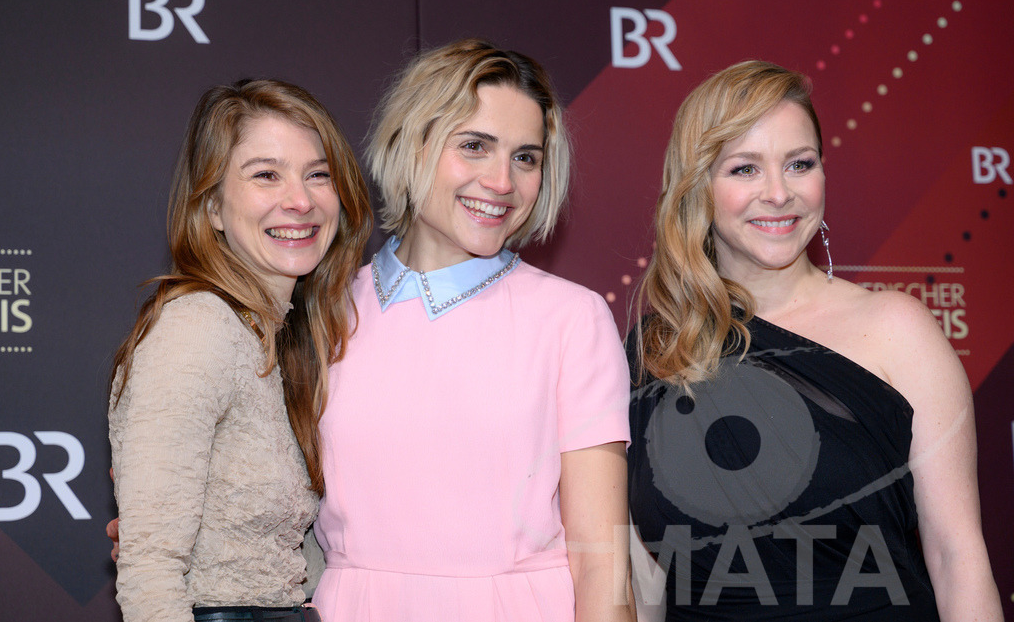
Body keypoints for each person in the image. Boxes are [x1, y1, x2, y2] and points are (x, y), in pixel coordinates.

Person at [626, 60, 1002, 621]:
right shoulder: (654, 351)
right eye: (745, 169)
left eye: (799, 164)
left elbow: (957, 559)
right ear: (697, 185)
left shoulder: (898, 329)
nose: (779, 193)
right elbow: (641, 573)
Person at [308, 39, 635, 622]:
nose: (502, 181)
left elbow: (601, 564)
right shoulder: (320, 310)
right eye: (475, 146)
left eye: (525, 158)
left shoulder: (572, 319)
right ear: (411, 143)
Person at [108, 79, 371, 622]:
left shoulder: (287, 336)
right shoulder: (196, 328)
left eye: (318, 174)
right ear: (212, 207)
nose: (300, 200)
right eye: (266, 175)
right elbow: (150, 569)